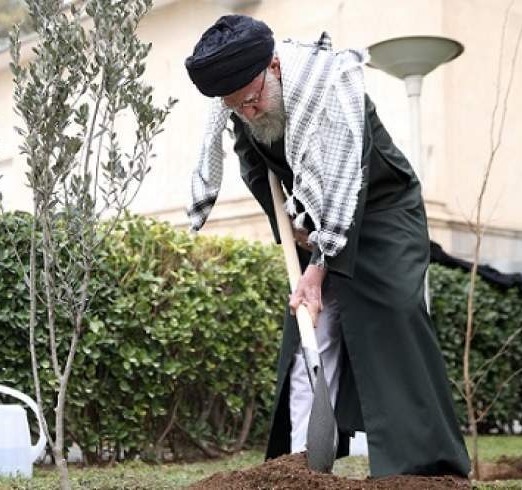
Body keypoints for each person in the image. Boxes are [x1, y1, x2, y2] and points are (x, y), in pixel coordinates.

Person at [184, 14, 470, 478]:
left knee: (394, 311)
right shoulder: (241, 104)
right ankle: (303, 466)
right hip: (313, 214)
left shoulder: (333, 86)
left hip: (380, 208)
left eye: (253, 101)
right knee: (312, 337)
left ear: (273, 66)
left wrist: (320, 263)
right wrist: (296, 233)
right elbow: (257, 170)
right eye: (237, 107)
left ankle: (423, 468)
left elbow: (347, 185)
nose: (250, 113)